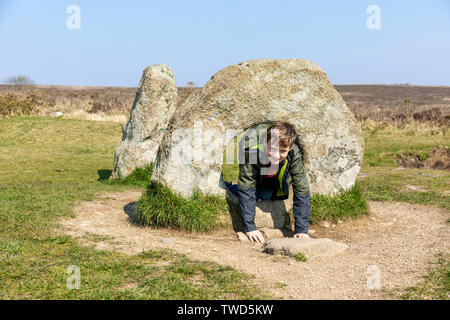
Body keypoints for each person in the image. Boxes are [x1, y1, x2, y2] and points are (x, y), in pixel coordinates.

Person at [227, 121, 311, 243]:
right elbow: (247, 185)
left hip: (273, 181)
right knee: (248, 194)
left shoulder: (294, 153)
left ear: (290, 148)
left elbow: (301, 188)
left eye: (282, 151)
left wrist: (302, 230)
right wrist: (249, 226)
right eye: (272, 148)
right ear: (265, 143)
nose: (276, 155)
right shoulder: (251, 152)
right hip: (255, 179)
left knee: (269, 195)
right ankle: (231, 186)